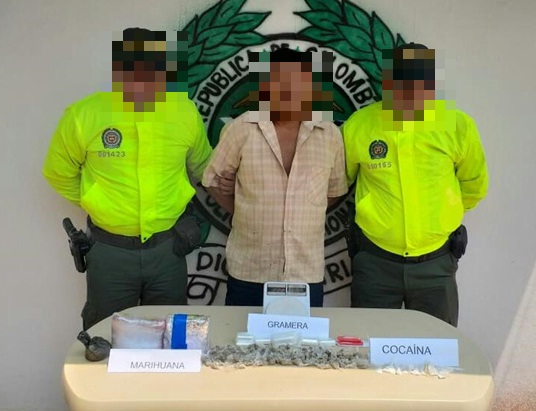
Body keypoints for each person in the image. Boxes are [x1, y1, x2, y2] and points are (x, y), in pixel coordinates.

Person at [43, 28, 212, 330]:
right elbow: (59, 173)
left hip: (167, 250)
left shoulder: (183, 112)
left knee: (170, 336)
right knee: (104, 337)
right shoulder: (84, 114)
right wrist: (97, 201)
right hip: (110, 252)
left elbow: (203, 167)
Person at [342, 43, 488, 326]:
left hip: (436, 264)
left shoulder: (457, 125)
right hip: (375, 263)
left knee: (437, 347)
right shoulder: (359, 125)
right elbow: (339, 180)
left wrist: (440, 216)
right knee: (368, 344)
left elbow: (474, 185)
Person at [202, 48, 347, 307]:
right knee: (241, 334)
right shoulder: (241, 129)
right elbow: (213, 180)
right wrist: (243, 210)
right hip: (249, 270)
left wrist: (297, 208)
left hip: (305, 272)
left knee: (303, 336)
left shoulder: (329, 135)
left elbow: (334, 191)